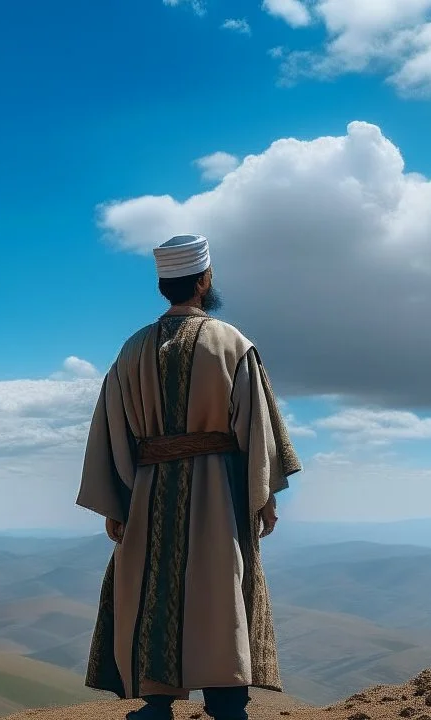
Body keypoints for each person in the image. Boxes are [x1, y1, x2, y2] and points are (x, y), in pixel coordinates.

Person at [76, 234, 302, 720]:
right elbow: (256, 424)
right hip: (218, 491)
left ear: (165, 286)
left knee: (151, 588)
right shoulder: (232, 344)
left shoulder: (131, 351)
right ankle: (227, 704)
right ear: (203, 282)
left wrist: (116, 504)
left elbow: (111, 431)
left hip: (148, 492)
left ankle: (156, 704)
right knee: (219, 588)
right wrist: (263, 496)